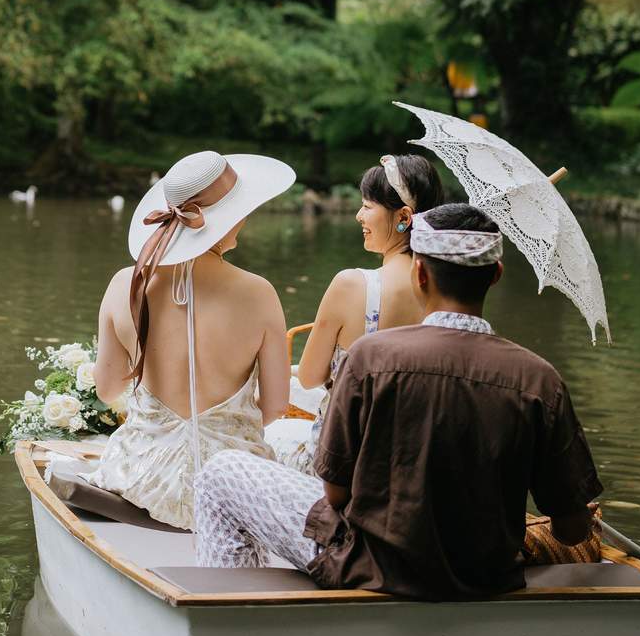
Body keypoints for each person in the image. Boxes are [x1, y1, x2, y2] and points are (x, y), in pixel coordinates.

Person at [194, 202, 602, 599]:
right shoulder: (539, 380)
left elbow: (335, 493)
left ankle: (232, 618)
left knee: (219, 471)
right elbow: (570, 528)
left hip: (368, 566)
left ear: (419, 274)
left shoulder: (370, 358)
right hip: (485, 576)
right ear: (495, 275)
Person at [82, 151, 295, 530]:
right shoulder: (259, 293)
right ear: (225, 219)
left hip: (142, 480)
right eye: (241, 209)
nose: (246, 219)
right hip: (231, 484)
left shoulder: (124, 284)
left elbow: (107, 387)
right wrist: (223, 424)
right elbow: (276, 406)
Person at [273, 154, 445, 474]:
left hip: (344, 463)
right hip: (408, 462)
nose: (358, 216)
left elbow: (310, 377)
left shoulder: (352, 285)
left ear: (404, 217)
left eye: (367, 206)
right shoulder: (446, 293)